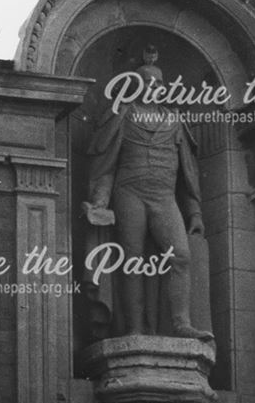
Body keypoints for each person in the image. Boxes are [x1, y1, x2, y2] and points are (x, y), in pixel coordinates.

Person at [82, 45, 211, 340]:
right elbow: (107, 166)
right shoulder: (123, 116)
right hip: (130, 193)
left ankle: (181, 323)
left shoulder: (175, 120)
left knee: (181, 255)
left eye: (159, 83)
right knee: (133, 260)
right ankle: (135, 328)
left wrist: (194, 212)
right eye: (148, 82)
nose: (154, 87)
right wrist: (100, 202)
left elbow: (187, 175)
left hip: (164, 197)